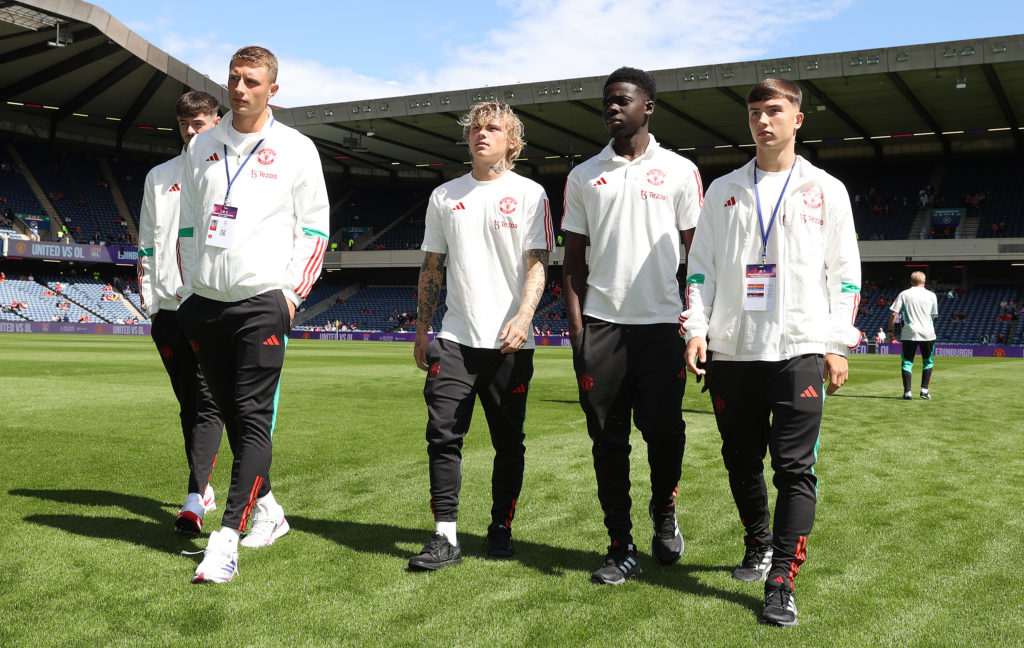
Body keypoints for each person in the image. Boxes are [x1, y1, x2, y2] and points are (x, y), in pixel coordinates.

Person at [681, 78, 861, 626]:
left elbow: (845, 275)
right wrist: (696, 328)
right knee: (740, 460)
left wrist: (835, 344)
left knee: (793, 468)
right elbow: (701, 269)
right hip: (733, 349)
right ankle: (757, 542)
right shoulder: (723, 189)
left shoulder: (825, 189)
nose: (764, 121)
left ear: (797, 119)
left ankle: (782, 575)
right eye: (756, 112)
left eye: (775, 111)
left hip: (800, 347)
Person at [176, 46, 329, 584]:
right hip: (204, 304)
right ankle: (269, 512)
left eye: (252, 81)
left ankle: (227, 539)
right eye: (234, 79)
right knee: (234, 417)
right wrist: (190, 289)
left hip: (263, 300)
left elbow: (315, 228)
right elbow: (191, 225)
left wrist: (290, 296)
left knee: (252, 415)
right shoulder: (203, 147)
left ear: (273, 90)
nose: (240, 89)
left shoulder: (296, 149)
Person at [562, 67, 703, 585]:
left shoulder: (680, 171)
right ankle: (620, 545)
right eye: (606, 102)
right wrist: (579, 335)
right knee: (608, 443)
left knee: (665, 434)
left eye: (622, 100)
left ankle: (664, 508)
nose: (611, 108)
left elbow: (700, 255)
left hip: (662, 326)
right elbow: (572, 262)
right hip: (602, 327)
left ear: (648, 107)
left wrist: (695, 324)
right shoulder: (583, 176)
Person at [407, 101, 553, 571]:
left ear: (513, 141)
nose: (481, 134)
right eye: (475, 128)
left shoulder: (531, 194)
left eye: (493, 128)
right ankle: (444, 536)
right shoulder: (445, 196)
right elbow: (432, 266)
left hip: (510, 342)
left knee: (508, 443)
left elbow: (537, 262)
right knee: (442, 436)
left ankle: (501, 527)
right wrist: (422, 328)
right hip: (454, 338)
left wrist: (525, 315)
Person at [138, 90, 228, 537]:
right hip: (168, 312)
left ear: (216, 121)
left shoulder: (229, 173)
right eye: (185, 125)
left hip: (210, 305)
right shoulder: (160, 177)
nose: (192, 132)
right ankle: (206, 486)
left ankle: (195, 496)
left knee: (208, 401)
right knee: (189, 405)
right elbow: (146, 245)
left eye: (200, 123)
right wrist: (153, 305)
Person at [887, 271, 937, 400]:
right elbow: (933, 315)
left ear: (911, 282)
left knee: (907, 362)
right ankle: (924, 391)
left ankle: (907, 393)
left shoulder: (904, 294)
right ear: (924, 282)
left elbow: (894, 314)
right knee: (928, 362)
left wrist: (890, 331)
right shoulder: (932, 295)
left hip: (909, 333)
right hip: (928, 333)